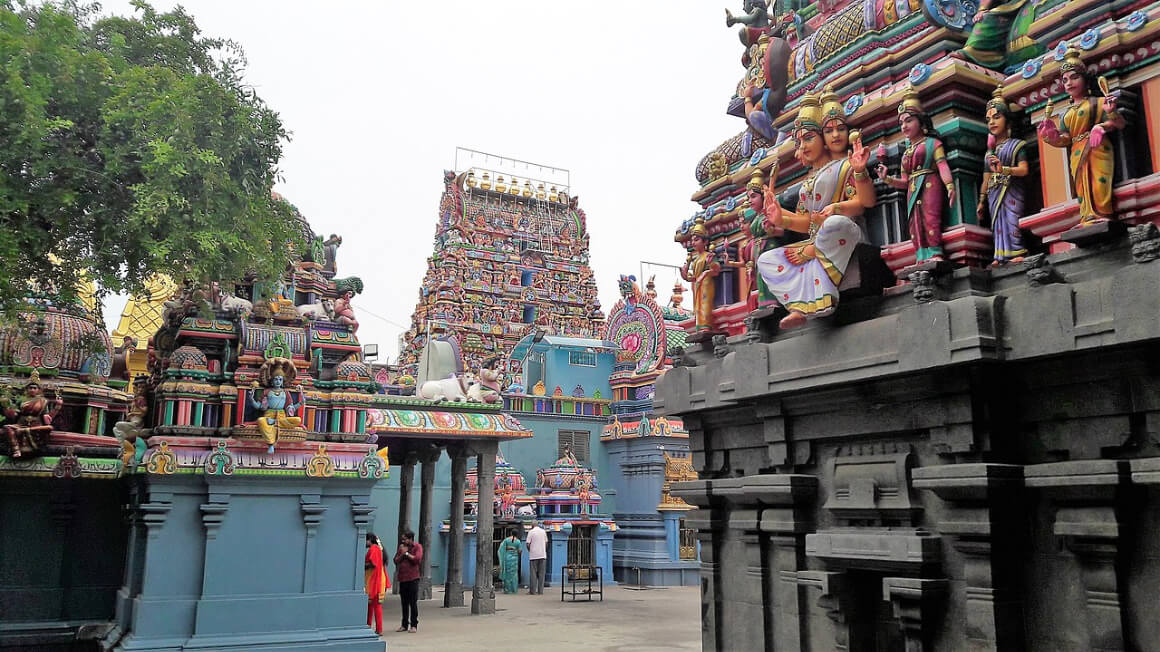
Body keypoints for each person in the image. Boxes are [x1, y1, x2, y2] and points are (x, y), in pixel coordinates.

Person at [393, 530, 422, 633]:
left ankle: (414, 625)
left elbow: (417, 559)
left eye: (405, 539)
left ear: (410, 539)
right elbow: (395, 560)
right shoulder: (401, 547)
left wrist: (406, 553)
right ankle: (404, 624)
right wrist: (402, 553)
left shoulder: (417, 547)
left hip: (413, 578)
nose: (403, 541)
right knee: (404, 603)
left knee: (412, 603)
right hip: (403, 578)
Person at [364, 533, 389, 635]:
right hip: (375, 580)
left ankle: (378, 629)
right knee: (371, 604)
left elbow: (373, 564)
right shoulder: (378, 549)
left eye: (366, 540)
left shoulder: (374, 549)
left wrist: (362, 564)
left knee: (376, 605)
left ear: (369, 540)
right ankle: (369, 626)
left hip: (376, 581)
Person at [526, 520, 548, 595]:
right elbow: (546, 543)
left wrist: (530, 550)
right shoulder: (543, 531)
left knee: (533, 574)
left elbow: (528, 544)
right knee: (542, 574)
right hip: (543, 555)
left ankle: (532, 591)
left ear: (532, 525)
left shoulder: (531, 532)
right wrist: (544, 550)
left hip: (533, 555)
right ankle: (540, 591)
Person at [498, 529, 523, 594]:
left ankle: (507, 590)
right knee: (514, 574)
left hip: (507, 558)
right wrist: (515, 550)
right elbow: (520, 551)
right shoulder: (518, 541)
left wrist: (508, 549)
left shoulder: (506, 540)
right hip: (514, 559)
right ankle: (514, 590)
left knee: (507, 574)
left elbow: (501, 549)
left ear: (511, 533)